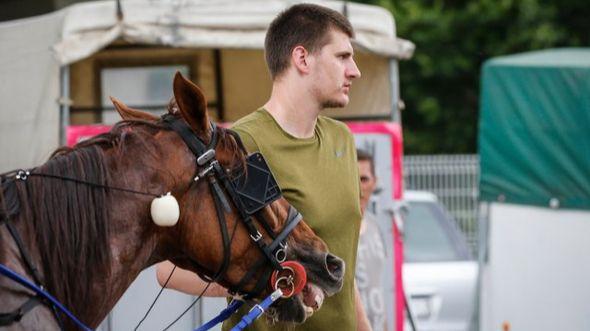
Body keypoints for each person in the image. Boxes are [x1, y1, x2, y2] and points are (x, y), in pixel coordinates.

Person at [156, 3, 371, 330]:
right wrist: (263, 282)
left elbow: (344, 263)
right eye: (342, 57)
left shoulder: (342, 140)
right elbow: (169, 271)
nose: (354, 70)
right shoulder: (243, 148)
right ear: (302, 58)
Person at [355, 149, 388, 331]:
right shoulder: (336, 230)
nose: (359, 187)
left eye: (364, 179)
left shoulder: (375, 227)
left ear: (374, 182)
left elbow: (377, 290)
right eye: (353, 178)